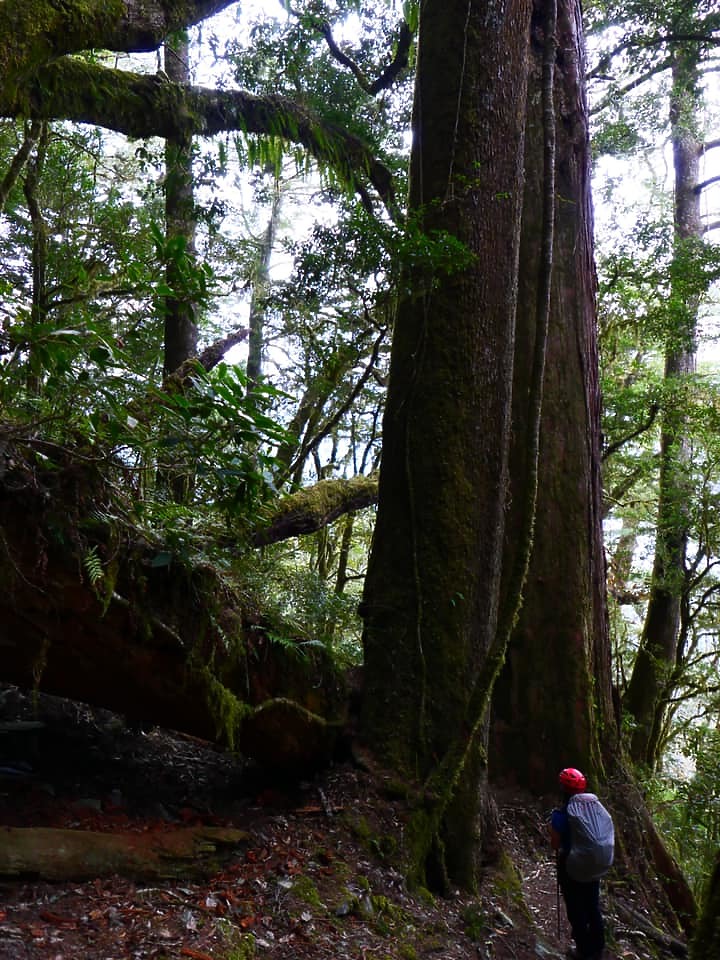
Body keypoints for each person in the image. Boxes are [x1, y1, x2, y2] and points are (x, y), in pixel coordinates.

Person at [550, 767, 608, 960]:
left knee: (576, 909)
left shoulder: (560, 815)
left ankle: (583, 951)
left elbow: (555, 844)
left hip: (571, 867)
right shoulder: (595, 808)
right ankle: (598, 948)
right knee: (592, 905)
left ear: (562, 789)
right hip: (594, 865)